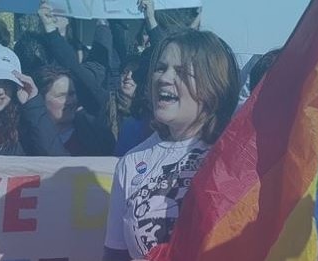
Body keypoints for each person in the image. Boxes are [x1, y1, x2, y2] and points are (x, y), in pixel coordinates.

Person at [103, 29, 241, 261]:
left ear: (213, 85)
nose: (164, 78)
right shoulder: (132, 162)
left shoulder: (235, 156)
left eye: (181, 71)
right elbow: (116, 253)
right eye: (160, 68)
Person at [0, 44, 67, 156]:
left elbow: (57, 159)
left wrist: (33, 104)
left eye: (8, 83)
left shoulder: (21, 125)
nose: (1, 91)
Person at [32, 65, 115, 156]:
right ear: (41, 100)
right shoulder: (28, 136)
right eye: (60, 96)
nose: (70, 101)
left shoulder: (96, 134)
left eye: (71, 94)